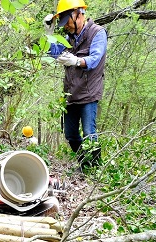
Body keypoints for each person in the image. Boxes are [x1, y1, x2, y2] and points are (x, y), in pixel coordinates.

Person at [43, 0, 107, 170]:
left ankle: (94, 168)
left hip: (89, 93)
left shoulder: (97, 33)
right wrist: (49, 34)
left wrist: (77, 61)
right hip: (70, 94)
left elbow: (95, 59)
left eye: (68, 21)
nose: (66, 26)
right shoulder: (68, 38)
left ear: (79, 14)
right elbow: (54, 55)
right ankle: (85, 163)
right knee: (70, 134)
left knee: (89, 133)